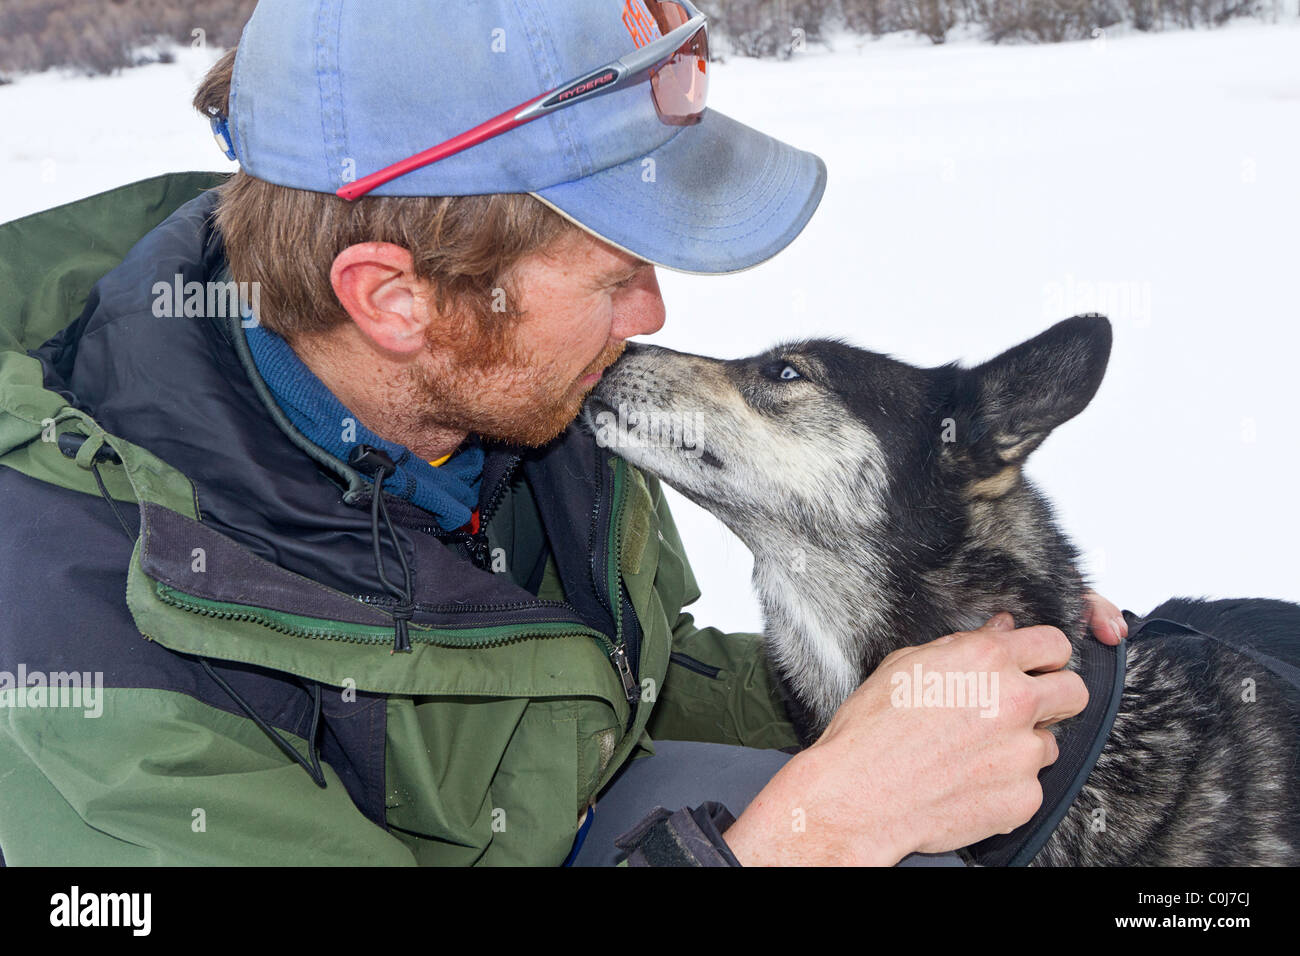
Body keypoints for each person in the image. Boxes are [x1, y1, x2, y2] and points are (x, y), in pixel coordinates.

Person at [0, 1, 1126, 866]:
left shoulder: (499, 392)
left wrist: (947, 672)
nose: (653, 319)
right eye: (613, 273)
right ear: (394, 298)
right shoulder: (91, 674)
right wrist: (809, 830)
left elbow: (604, 685)